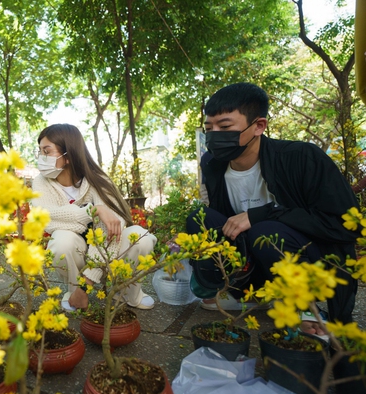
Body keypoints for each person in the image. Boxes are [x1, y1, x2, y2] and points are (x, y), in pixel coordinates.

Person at [187, 82, 359, 329]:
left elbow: (344, 225)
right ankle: (241, 291)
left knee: (265, 231)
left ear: (259, 126)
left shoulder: (301, 158)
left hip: (314, 263)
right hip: (255, 258)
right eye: (209, 128)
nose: (214, 135)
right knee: (199, 218)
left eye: (225, 127)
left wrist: (260, 215)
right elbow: (224, 218)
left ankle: (306, 310)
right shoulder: (212, 164)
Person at [32, 124, 157, 312]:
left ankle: (126, 293)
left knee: (142, 238)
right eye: (40, 151)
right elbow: (44, 219)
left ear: (67, 155)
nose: (41, 157)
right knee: (61, 240)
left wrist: (88, 282)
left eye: (46, 151)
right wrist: (92, 212)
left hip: (110, 248)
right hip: (78, 250)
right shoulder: (41, 182)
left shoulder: (98, 180)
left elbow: (112, 229)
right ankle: (73, 291)